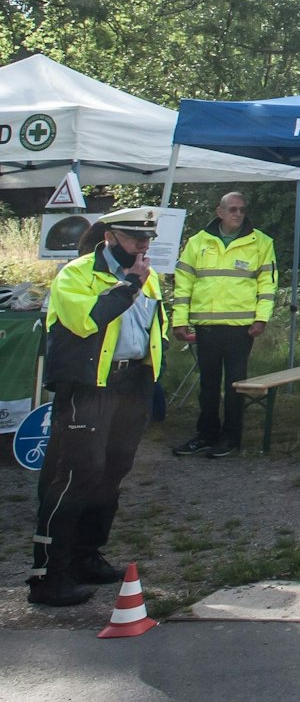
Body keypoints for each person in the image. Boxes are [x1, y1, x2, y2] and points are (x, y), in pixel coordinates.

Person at [29, 207, 170, 607]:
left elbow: (149, 330)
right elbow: (89, 320)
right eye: (133, 237)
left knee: (110, 475)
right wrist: (127, 286)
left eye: (147, 239)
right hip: (90, 389)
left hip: (132, 385)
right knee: (76, 477)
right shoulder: (76, 274)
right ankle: (48, 576)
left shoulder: (149, 276)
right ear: (109, 237)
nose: (143, 246)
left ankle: (86, 555)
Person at [169, 191, 279, 459]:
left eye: (242, 209)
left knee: (235, 385)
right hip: (206, 327)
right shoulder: (198, 242)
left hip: (241, 328)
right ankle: (206, 434)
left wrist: (261, 318)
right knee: (207, 385)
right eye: (232, 209)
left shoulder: (261, 243)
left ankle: (231, 437)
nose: (238, 214)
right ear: (220, 212)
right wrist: (179, 320)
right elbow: (183, 284)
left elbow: (268, 285)